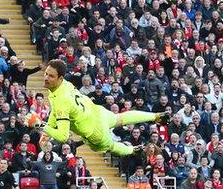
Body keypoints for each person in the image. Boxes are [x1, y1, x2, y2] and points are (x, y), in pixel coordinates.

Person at [31, 60, 169, 156]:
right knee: (120, 118)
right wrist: (47, 131)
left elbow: (62, 136)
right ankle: (156, 116)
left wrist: (40, 124)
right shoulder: (63, 84)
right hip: (97, 112)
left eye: (50, 76)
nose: (46, 78)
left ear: (60, 78)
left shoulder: (61, 100)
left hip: (93, 131)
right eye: (46, 74)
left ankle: (132, 150)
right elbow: (57, 111)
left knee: (112, 147)